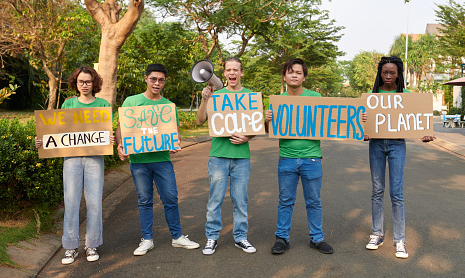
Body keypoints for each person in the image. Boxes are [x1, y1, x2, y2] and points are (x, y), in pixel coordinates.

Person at [116, 63, 199, 256]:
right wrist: (120, 145)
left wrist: (176, 143)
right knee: (144, 200)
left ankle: (177, 237)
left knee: (170, 198)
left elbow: (175, 134)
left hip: (162, 160)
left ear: (164, 82)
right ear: (146, 79)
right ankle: (147, 239)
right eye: (153, 79)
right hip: (138, 161)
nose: (157, 83)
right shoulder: (131, 101)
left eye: (161, 80)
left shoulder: (168, 106)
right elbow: (121, 128)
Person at [35, 66, 114, 264]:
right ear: (75, 83)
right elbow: (59, 131)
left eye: (88, 81)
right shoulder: (68, 103)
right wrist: (43, 141)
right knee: (71, 202)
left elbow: (105, 132)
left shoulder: (103, 104)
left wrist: (110, 138)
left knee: (94, 202)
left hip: (95, 158)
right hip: (71, 159)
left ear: (94, 83)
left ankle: (91, 244)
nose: (84, 85)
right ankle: (70, 247)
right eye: (81, 81)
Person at [363, 56, 435, 259]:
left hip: (397, 145)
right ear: (380, 73)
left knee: (397, 193)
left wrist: (425, 133)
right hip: (376, 144)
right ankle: (377, 233)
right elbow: (361, 122)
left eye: (392, 72)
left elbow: (419, 122)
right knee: (377, 190)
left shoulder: (407, 96)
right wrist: (363, 129)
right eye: (384, 72)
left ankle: (399, 240)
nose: (388, 76)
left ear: (398, 74)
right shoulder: (371, 96)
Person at [265, 58, 333, 255]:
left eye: (298, 72)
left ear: (304, 77)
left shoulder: (316, 97)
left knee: (314, 200)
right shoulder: (277, 101)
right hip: (286, 158)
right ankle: (282, 238)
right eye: (290, 72)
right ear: (284, 76)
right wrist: (267, 120)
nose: (294, 75)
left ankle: (317, 238)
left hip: (312, 158)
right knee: (285, 200)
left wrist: (358, 118)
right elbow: (270, 130)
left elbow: (331, 121)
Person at [196, 57, 256, 255]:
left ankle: (241, 237)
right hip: (218, 156)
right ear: (225, 73)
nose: (232, 73)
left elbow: (255, 125)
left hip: (241, 157)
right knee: (215, 199)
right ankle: (212, 237)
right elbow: (199, 121)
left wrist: (247, 137)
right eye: (228, 70)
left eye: (235, 70)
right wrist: (205, 100)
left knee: (241, 200)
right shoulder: (216, 95)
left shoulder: (251, 96)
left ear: (241, 73)